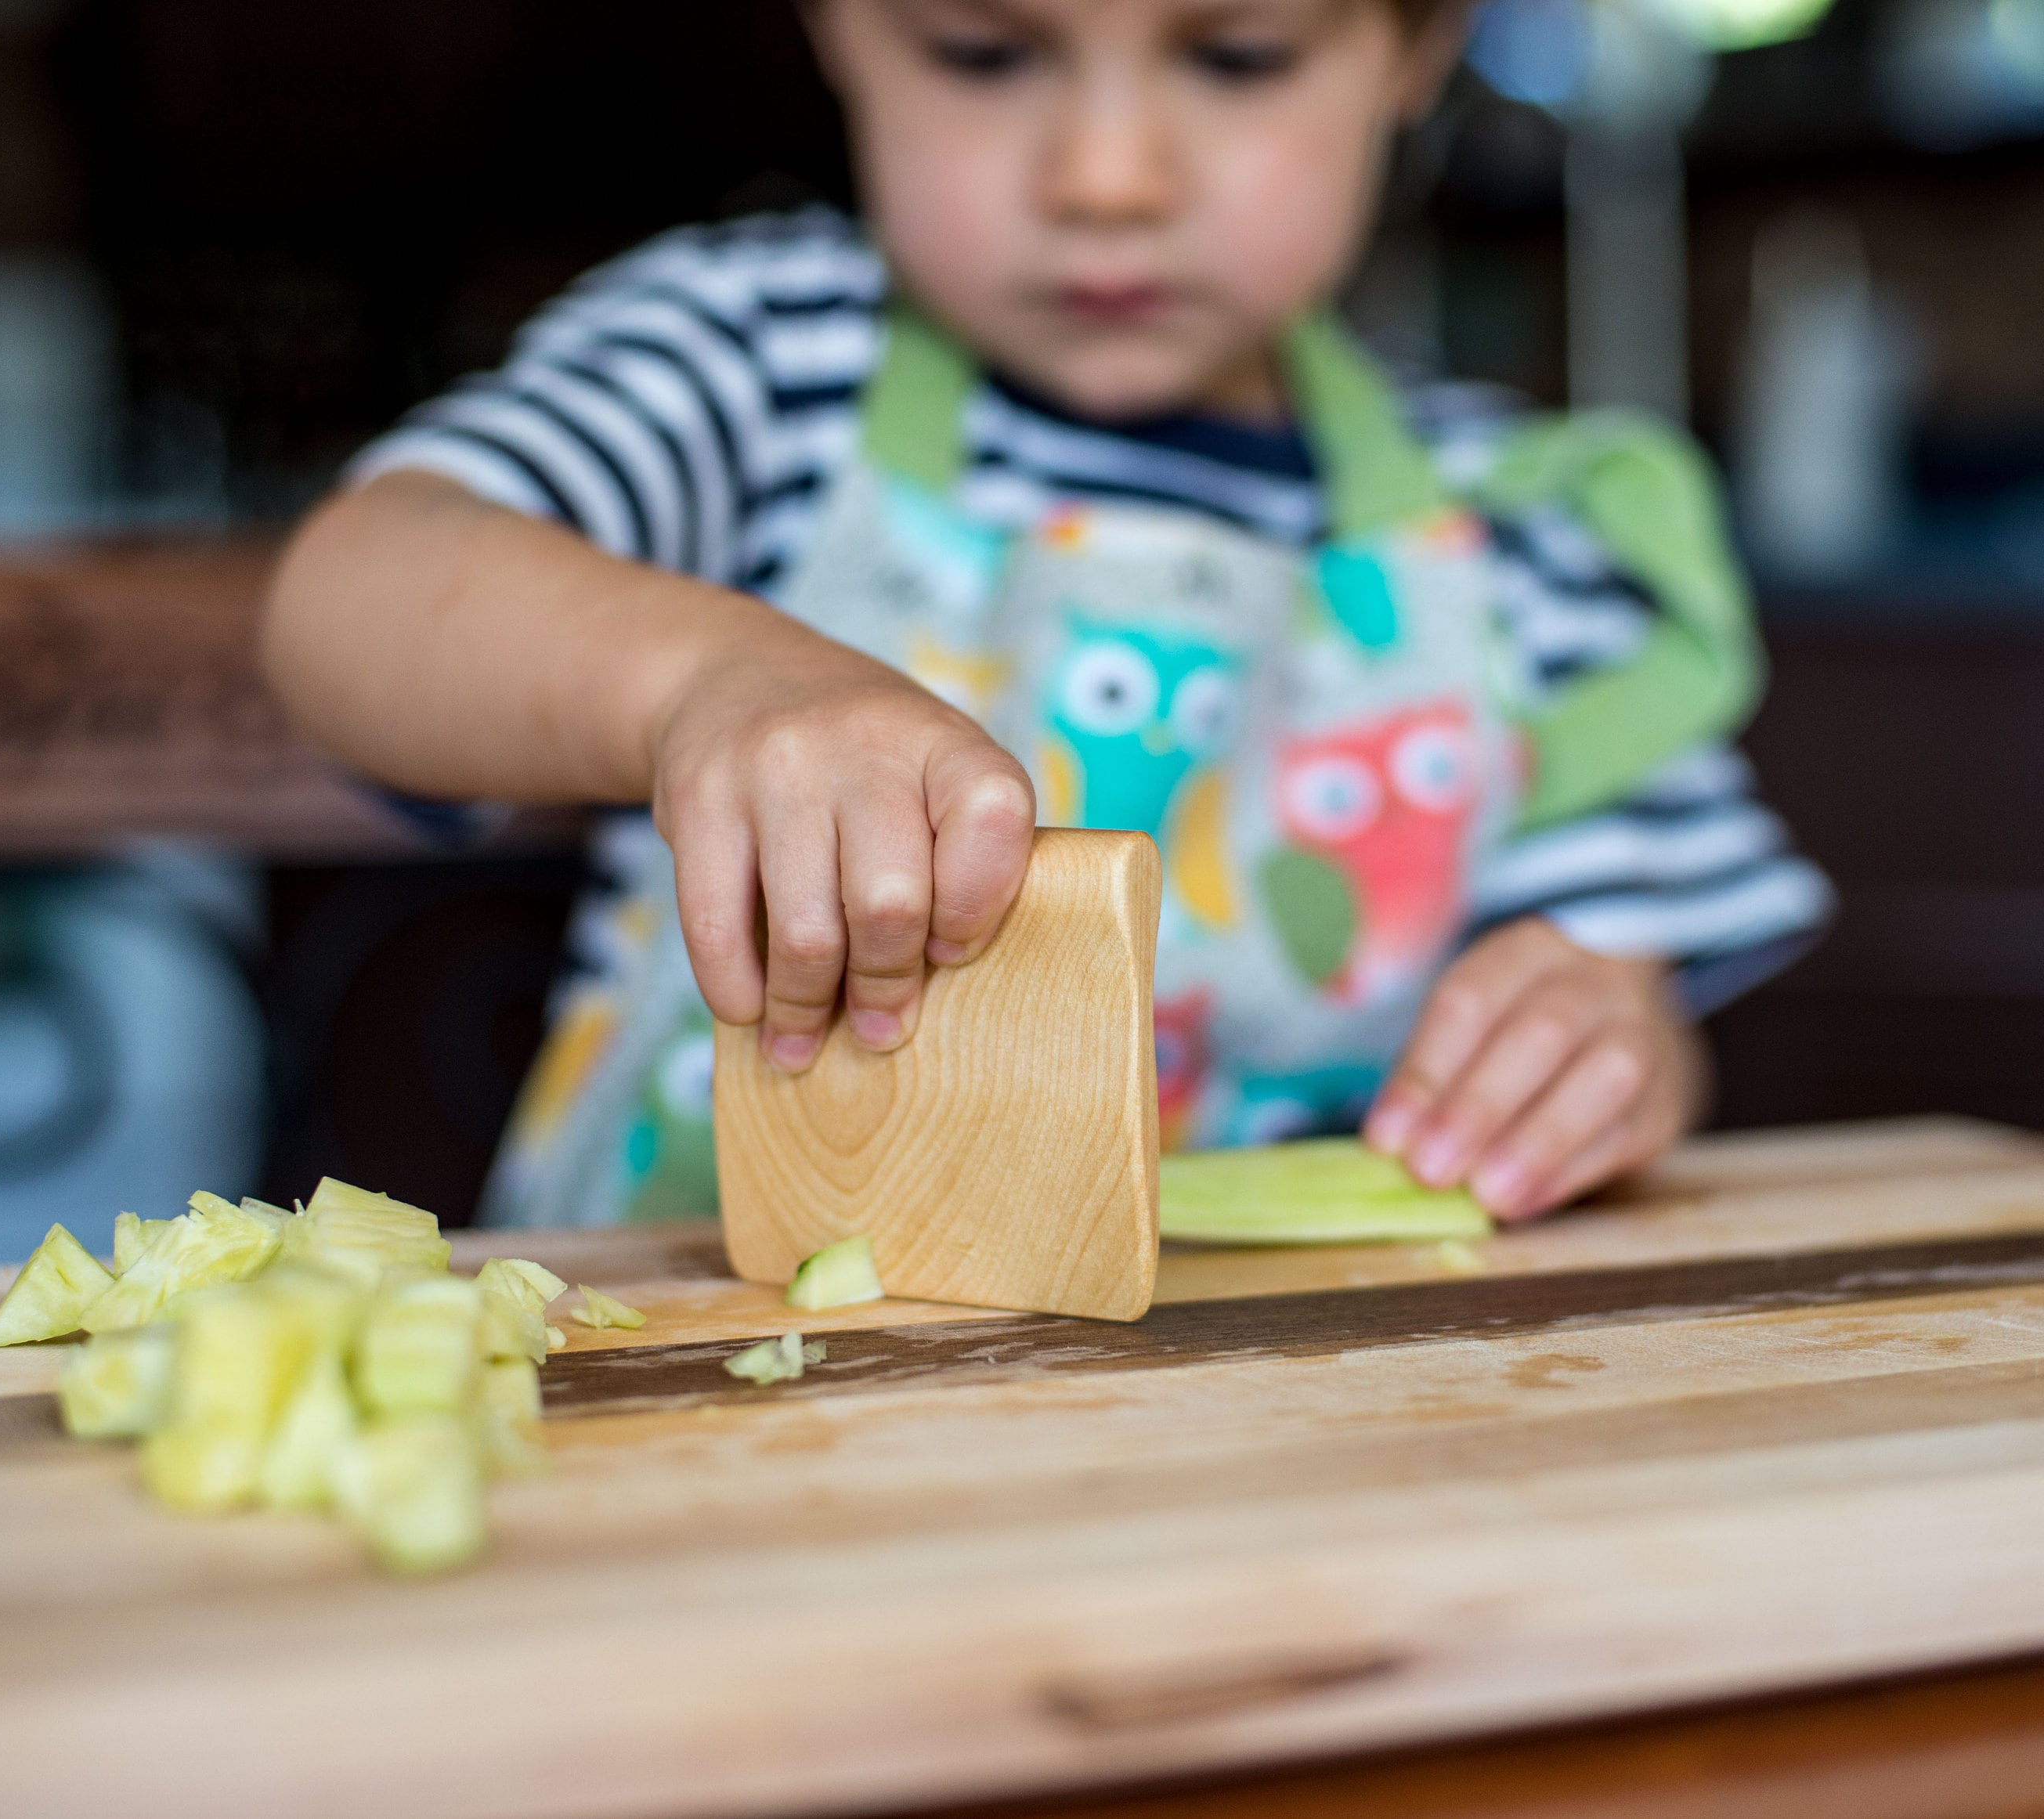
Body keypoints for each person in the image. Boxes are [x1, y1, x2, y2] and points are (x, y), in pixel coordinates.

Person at [263, 0, 1830, 1230]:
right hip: (680, 1401)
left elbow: (1624, 989)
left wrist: (1602, 1057)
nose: (1105, 177)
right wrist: (707, 680)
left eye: (1234, 55)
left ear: (1412, 44)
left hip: (1279, 1459)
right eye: (985, 51)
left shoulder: (1513, 534)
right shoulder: (753, 362)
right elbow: (361, 587)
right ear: (843, 24)